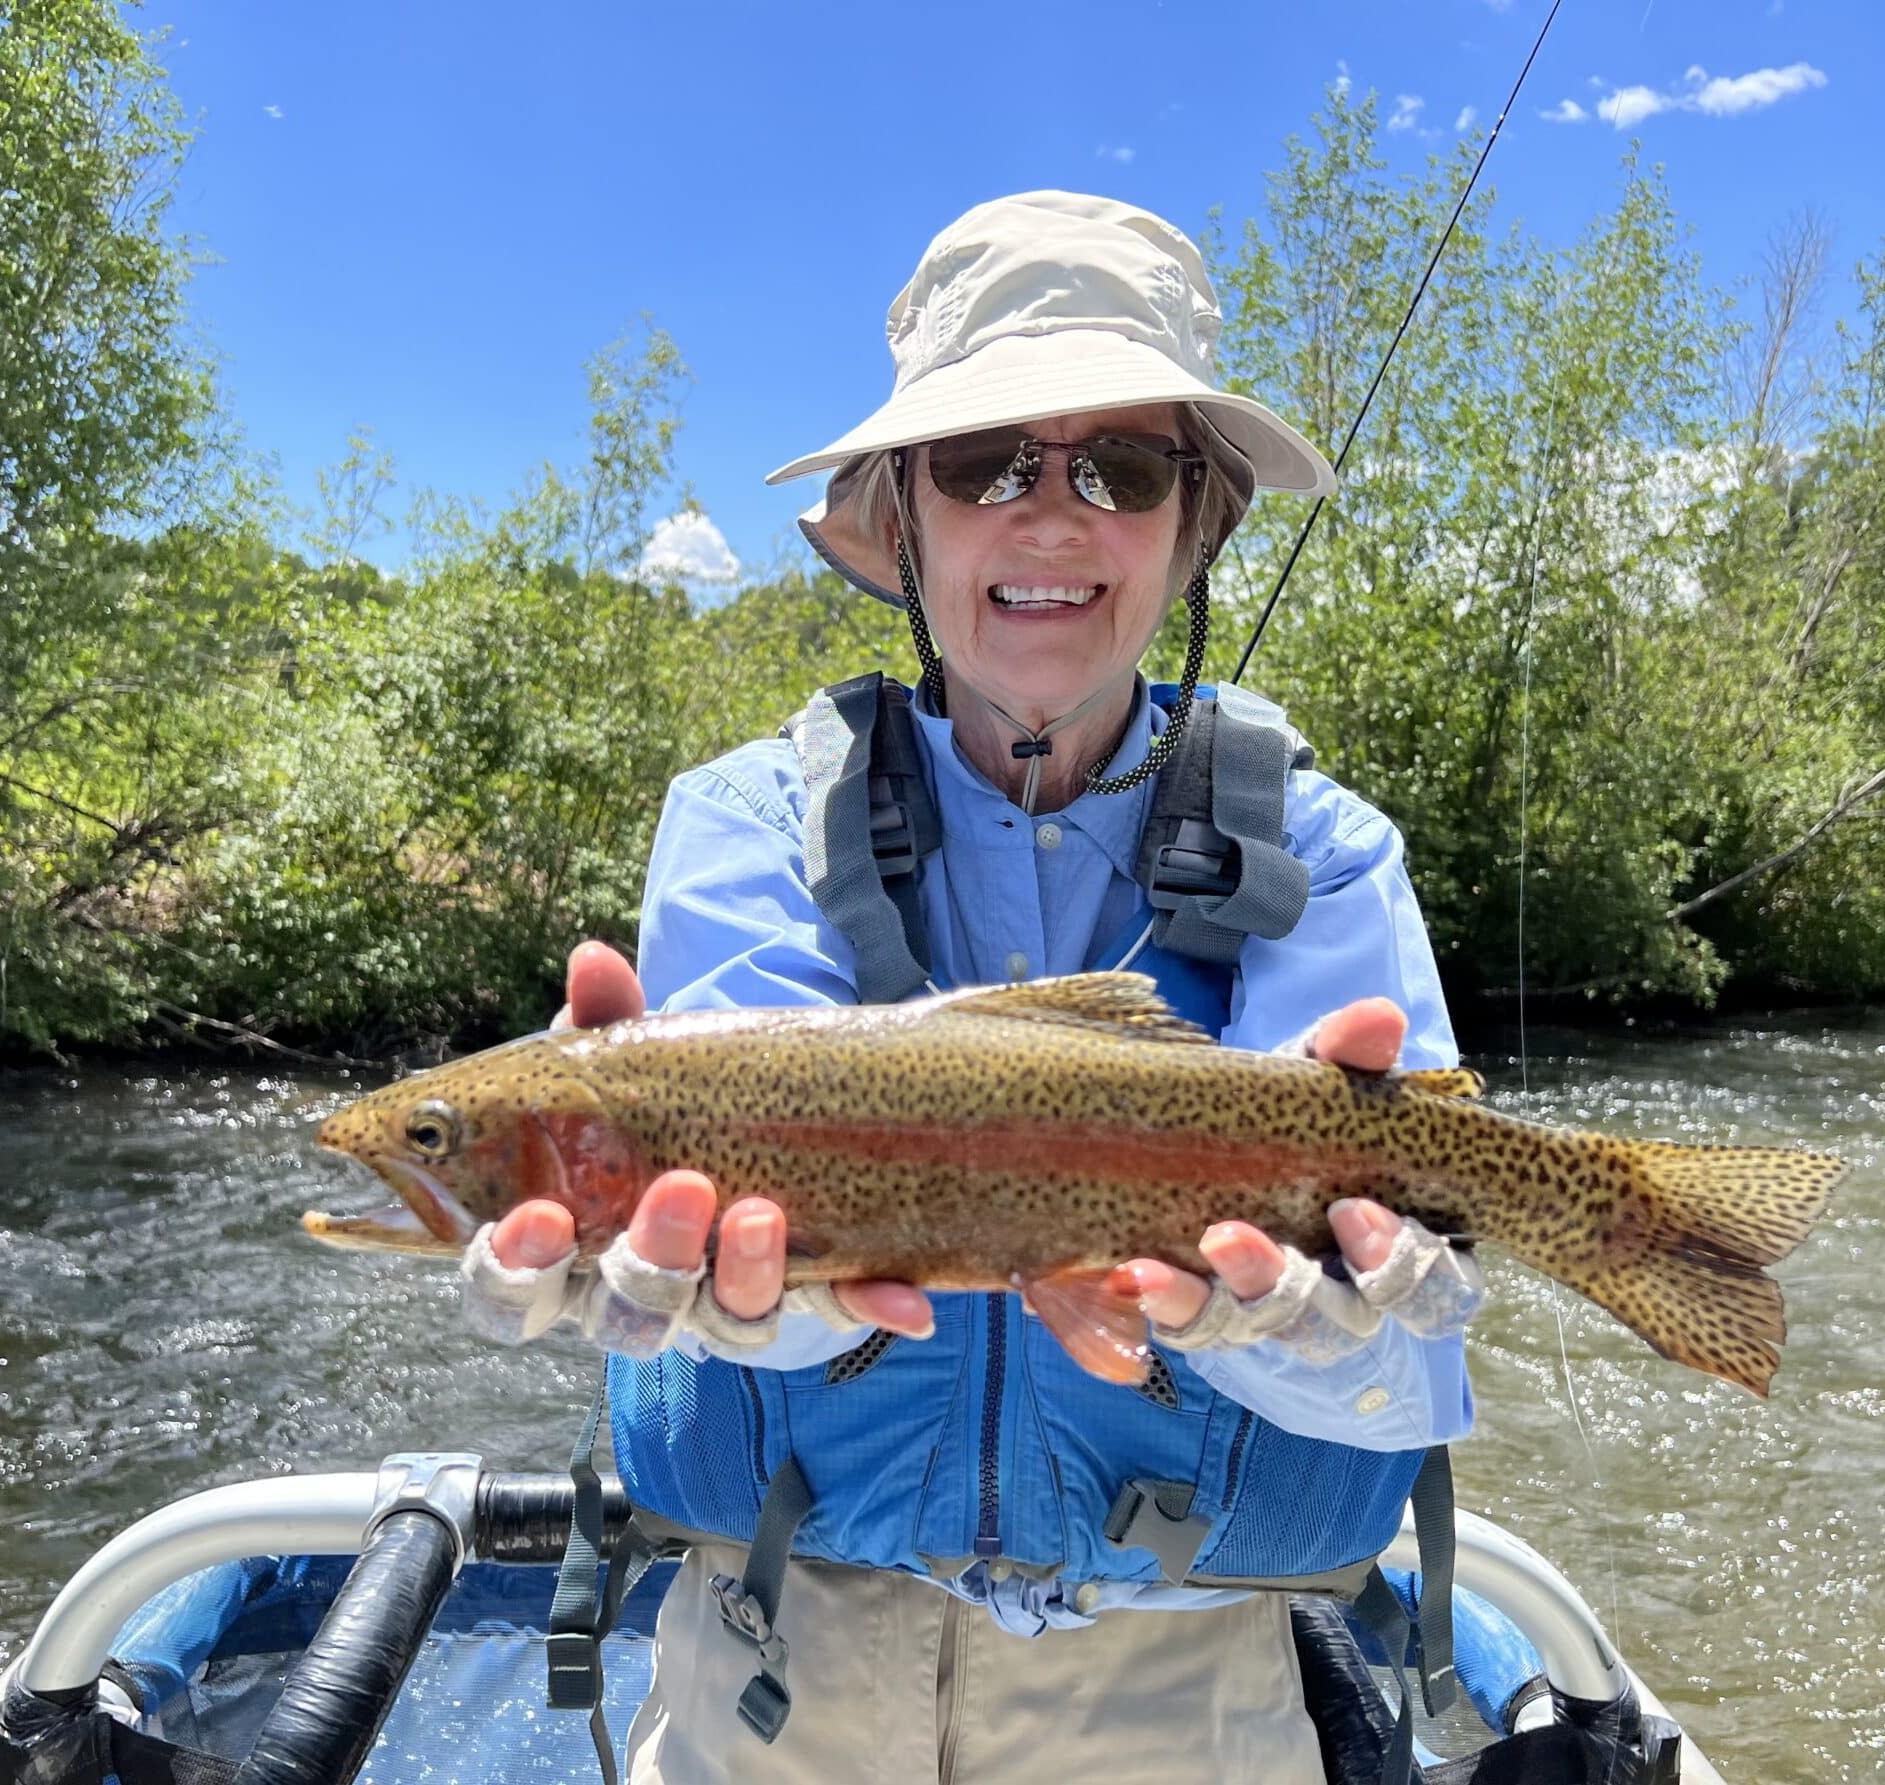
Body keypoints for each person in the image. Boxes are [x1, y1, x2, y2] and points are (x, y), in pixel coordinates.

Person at [466, 191, 1487, 1784]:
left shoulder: (1329, 857)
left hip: (1187, 1691)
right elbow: (764, 1236)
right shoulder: (746, 825)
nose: (1054, 516)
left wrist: (1305, 1330)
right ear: (906, 513)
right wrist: (743, 1297)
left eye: (1123, 469)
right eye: (987, 462)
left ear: (1194, 520)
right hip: (782, 1663)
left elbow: (1407, 1380)